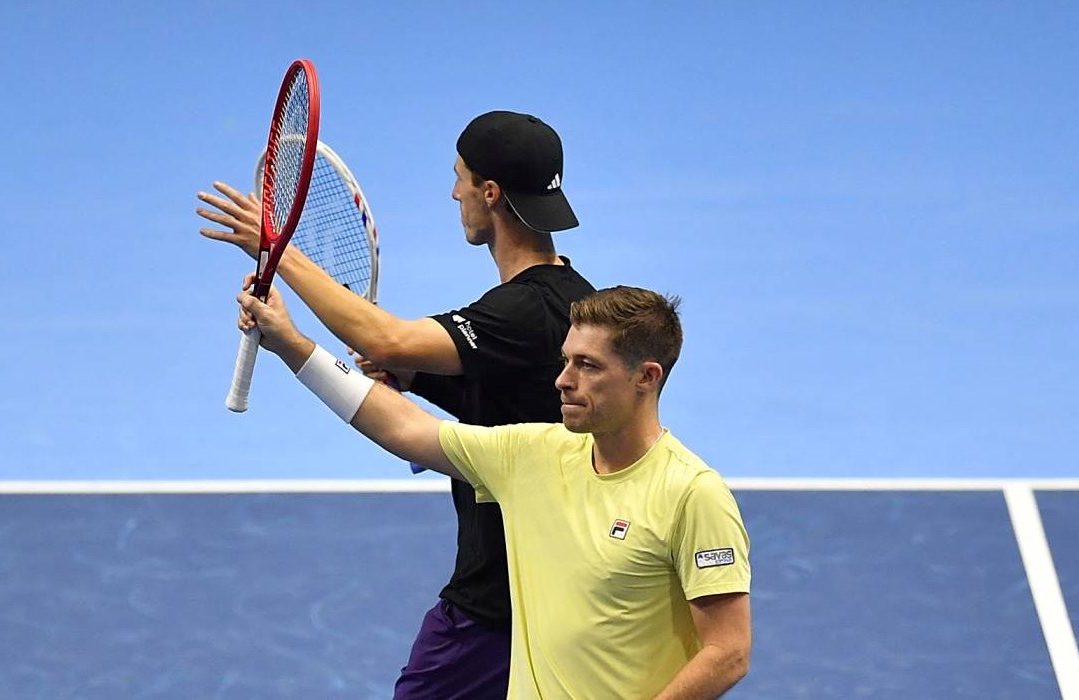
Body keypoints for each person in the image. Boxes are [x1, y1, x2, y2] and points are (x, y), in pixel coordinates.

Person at [198, 111, 596, 699]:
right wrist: (405, 374)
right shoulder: (572, 300)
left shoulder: (522, 313)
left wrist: (275, 248)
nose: (453, 191)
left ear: (490, 194)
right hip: (559, 593)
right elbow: (494, 401)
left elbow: (385, 341)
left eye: (460, 177)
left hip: (497, 602)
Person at [236, 283, 753, 699]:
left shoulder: (692, 494)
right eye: (566, 360)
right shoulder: (534, 455)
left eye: (587, 366)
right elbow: (404, 429)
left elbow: (728, 651)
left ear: (647, 377)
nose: (563, 380)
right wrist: (291, 343)